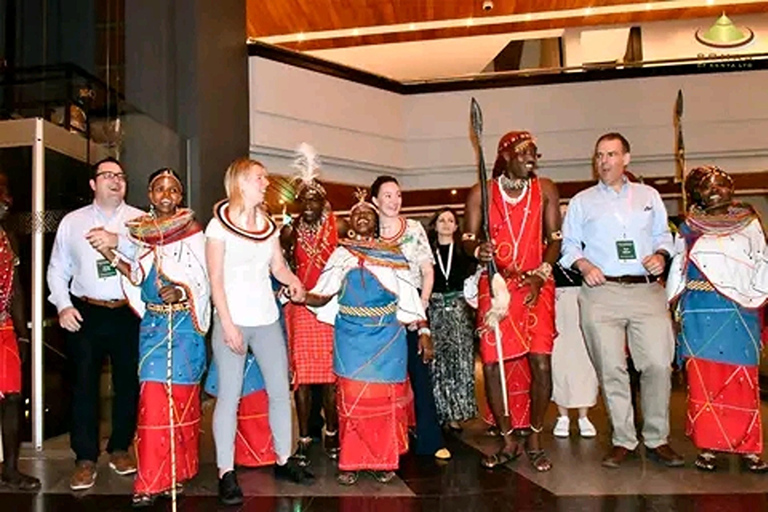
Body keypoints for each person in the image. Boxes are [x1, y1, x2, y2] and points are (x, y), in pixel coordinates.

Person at [560, 132, 683, 469]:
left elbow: (664, 235)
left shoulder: (649, 195)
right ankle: (623, 440)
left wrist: (661, 254)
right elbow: (568, 246)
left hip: (647, 291)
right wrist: (584, 264)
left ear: (626, 158)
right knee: (611, 369)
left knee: (658, 364)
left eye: (611, 154)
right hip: (601, 295)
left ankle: (657, 438)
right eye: (599, 155)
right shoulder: (582, 201)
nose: (604, 161)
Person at [91, 169, 208, 506]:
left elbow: (204, 280)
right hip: (154, 328)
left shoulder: (193, 233)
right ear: (150, 195)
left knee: (181, 401)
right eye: (159, 189)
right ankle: (150, 480)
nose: (166, 194)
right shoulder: (142, 234)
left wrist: (183, 291)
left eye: (173, 189)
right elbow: (138, 275)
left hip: (185, 326)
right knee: (154, 401)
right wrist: (111, 255)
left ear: (181, 196)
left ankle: (178, 473)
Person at [299, 192, 430, 485]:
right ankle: (351, 462)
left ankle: (384, 461)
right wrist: (300, 294)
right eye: (357, 214)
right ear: (349, 223)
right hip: (350, 338)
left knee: (383, 402)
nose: (362, 218)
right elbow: (322, 294)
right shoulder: (341, 255)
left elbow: (410, 295)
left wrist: (424, 330)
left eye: (369, 215)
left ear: (375, 223)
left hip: (387, 338)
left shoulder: (393, 254)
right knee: (351, 402)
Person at [206, 158, 312, 506]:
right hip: (232, 320)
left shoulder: (266, 225)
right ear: (240, 183)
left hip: (267, 319)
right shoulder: (217, 227)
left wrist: (294, 280)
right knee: (229, 397)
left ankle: (283, 459)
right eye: (260, 178)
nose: (266, 183)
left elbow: (277, 266)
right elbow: (216, 280)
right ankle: (225, 472)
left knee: (280, 392)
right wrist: (227, 324)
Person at [463, 131, 560, 472]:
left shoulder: (545, 189)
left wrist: (540, 274)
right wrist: (477, 249)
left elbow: (554, 239)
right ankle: (507, 439)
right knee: (491, 363)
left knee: (541, 361)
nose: (532, 158)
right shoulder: (482, 193)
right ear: (505, 156)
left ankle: (534, 437)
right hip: (497, 284)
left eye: (535, 153)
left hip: (537, 282)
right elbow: (467, 238)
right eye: (524, 153)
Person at [47, 157, 143, 490]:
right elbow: (58, 269)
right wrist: (62, 306)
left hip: (128, 312)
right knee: (83, 387)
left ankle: (120, 448)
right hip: (86, 312)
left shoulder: (139, 220)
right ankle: (85, 458)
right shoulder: (72, 223)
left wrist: (120, 240)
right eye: (107, 176)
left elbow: (150, 260)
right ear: (93, 184)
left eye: (120, 176)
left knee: (128, 383)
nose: (115, 181)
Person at [667, 165, 768, 473]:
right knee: (704, 380)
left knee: (742, 380)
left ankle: (749, 448)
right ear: (695, 193)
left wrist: (756, 297)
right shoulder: (688, 226)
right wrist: (674, 309)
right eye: (707, 187)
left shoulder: (749, 222)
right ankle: (709, 445)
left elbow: (762, 261)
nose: (715, 191)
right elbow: (678, 268)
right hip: (699, 309)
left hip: (740, 308)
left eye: (722, 185)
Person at [371, 175, 450, 461]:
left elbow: (428, 271)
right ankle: (384, 440)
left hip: (413, 305)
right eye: (387, 195)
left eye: (398, 195)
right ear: (375, 201)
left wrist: (421, 307)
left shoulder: (414, 229)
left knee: (420, 371)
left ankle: (430, 439)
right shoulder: (369, 232)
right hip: (380, 310)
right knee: (383, 377)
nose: (394, 201)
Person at [280, 144, 341, 465]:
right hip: (301, 308)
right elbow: (282, 264)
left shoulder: (337, 227)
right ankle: (304, 436)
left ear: (324, 203)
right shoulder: (290, 231)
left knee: (330, 377)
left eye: (314, 199)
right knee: (303, 377)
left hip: (330, 307)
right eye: (303, 199)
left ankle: (332, 431)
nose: (308, 205)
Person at [0, 171, 41, 491]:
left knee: (13, 397)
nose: (6, 200)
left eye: (5, 192)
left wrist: (23, 332)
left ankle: (11, 469)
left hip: (4, 329)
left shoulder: (7, 237)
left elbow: (16, 289)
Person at [426, 208, 478, 432]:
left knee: (460, 361)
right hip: (435, 310)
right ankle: (439, 412)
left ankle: (457, 412)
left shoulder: (466, 252)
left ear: (457, 227)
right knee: (438, 364)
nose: (446, 224)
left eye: (451, 220)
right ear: (434, 225)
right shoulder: (426, 253)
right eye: (441, 220)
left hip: (459, 311)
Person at [550, 205, 599, 438]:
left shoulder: (589, 243)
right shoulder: (548, 245)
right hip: (556, 302)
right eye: (560, 214)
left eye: (568, 213)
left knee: (585, 359)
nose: (564, 218)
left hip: (585, 299)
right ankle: (562, 415)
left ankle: (583, 416)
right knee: (559, 359)